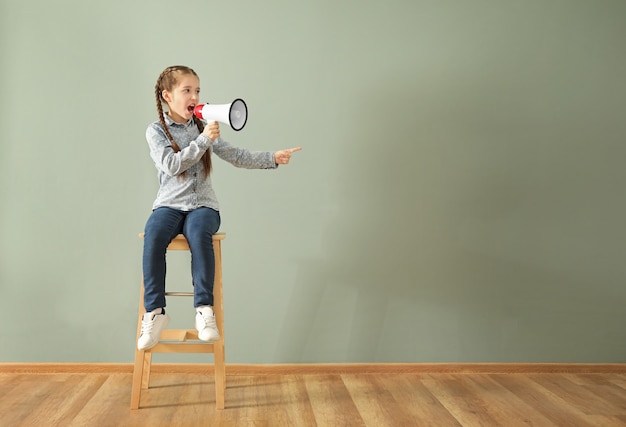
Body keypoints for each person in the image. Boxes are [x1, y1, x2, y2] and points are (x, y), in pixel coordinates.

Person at [138, 65, 302, 351]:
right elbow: (171, 165)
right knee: (153, 235)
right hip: (169, 204)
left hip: (203, 206)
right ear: (167, 96)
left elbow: (236, 155)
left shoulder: (202, 127)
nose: (195, 96)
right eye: (186, 90)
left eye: (197, 90)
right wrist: (204, 141)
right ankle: (154, 313)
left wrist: (272, 157)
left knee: (200, 233)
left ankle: (204, 311)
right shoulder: (156, 131)